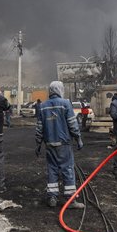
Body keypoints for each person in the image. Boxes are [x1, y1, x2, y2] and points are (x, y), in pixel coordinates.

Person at [35, 81, 84, 209]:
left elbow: (39, 128)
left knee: (52, 170)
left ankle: (52, 197)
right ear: (60, 90)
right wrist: (78, 139)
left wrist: (38, 145)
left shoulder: (43, 106)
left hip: (50, 144)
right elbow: (72, 124)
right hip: (64, 144)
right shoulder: (65, 104)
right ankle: (70, 200)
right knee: (67, 170)